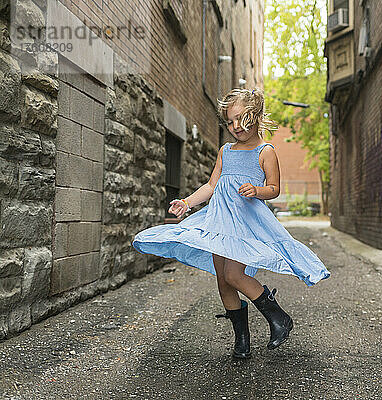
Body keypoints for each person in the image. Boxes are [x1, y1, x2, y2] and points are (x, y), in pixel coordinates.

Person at [132, 88, 330, 359]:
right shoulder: (226, 151)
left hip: (244, 225)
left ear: (256, 114)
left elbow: (274, 188)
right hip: (219, 223)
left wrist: (257, 190)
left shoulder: (265, 151)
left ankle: (279, 318)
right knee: (223, 282)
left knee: (234, 275)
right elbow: (212, 185)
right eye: (230, 121)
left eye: (241, 118)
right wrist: (187, 203)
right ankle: (242, 340)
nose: (236, 126)